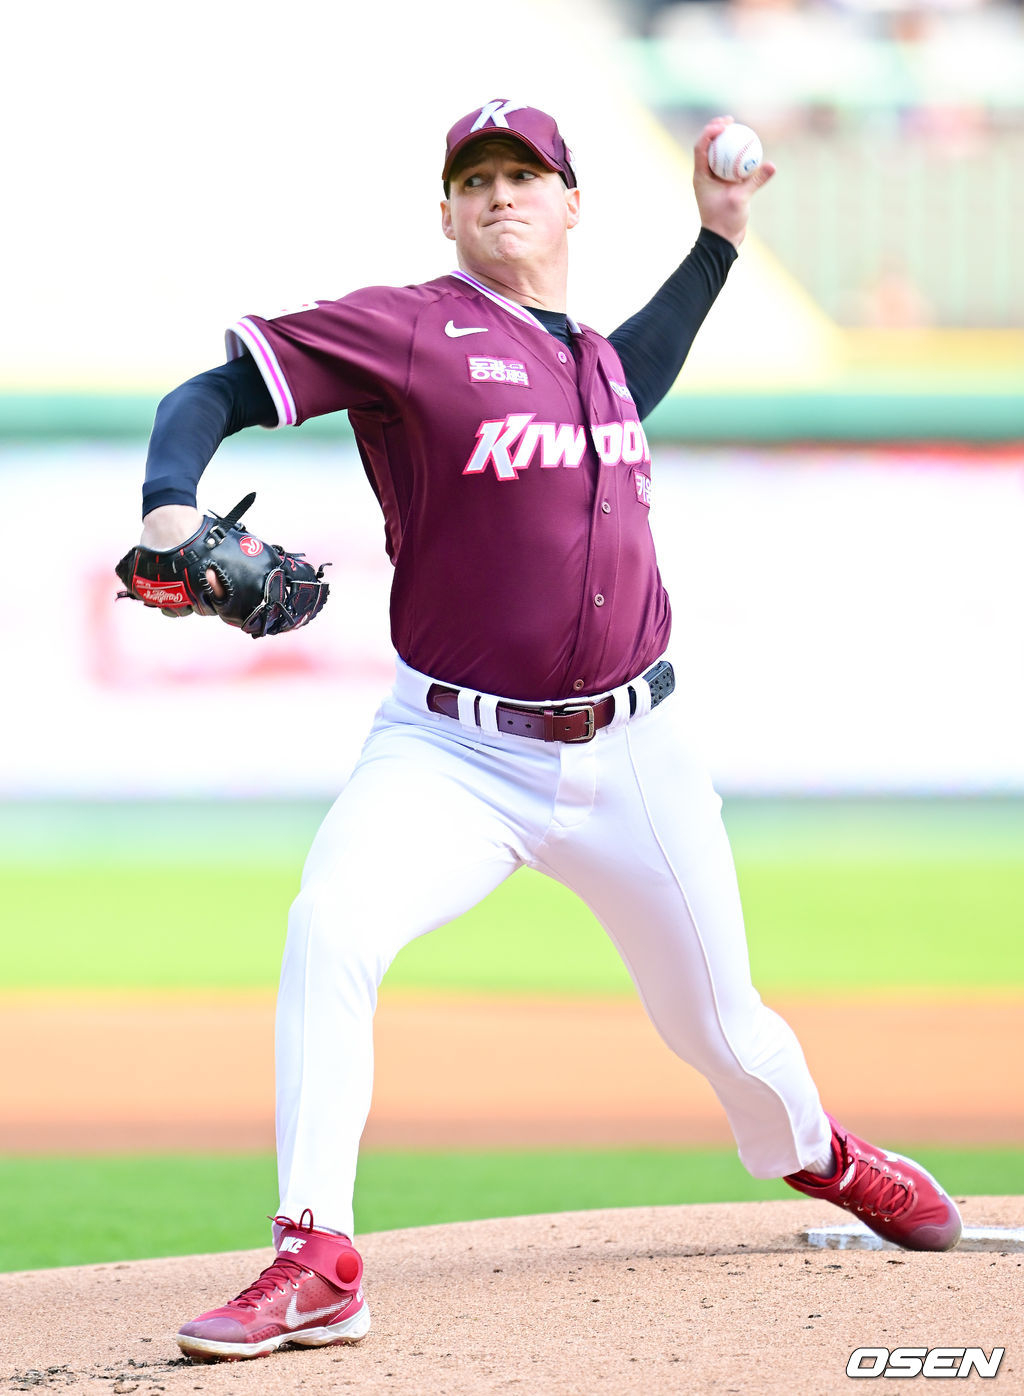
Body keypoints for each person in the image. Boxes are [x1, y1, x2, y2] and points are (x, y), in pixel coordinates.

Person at [129, 100, 962, 1365]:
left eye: (524, 173)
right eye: (475, 179)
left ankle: (818, 1150)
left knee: (724, 1027)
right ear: (447, 213)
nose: (500, 193)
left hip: (636, 754)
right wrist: (168, 510)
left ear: (572, 202)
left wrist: (720, 239)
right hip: (452, 753)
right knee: (331, 927)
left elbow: (643, 367)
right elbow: (212, 391)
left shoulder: (596, 365)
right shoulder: (413, 327)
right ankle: (316, 1254)